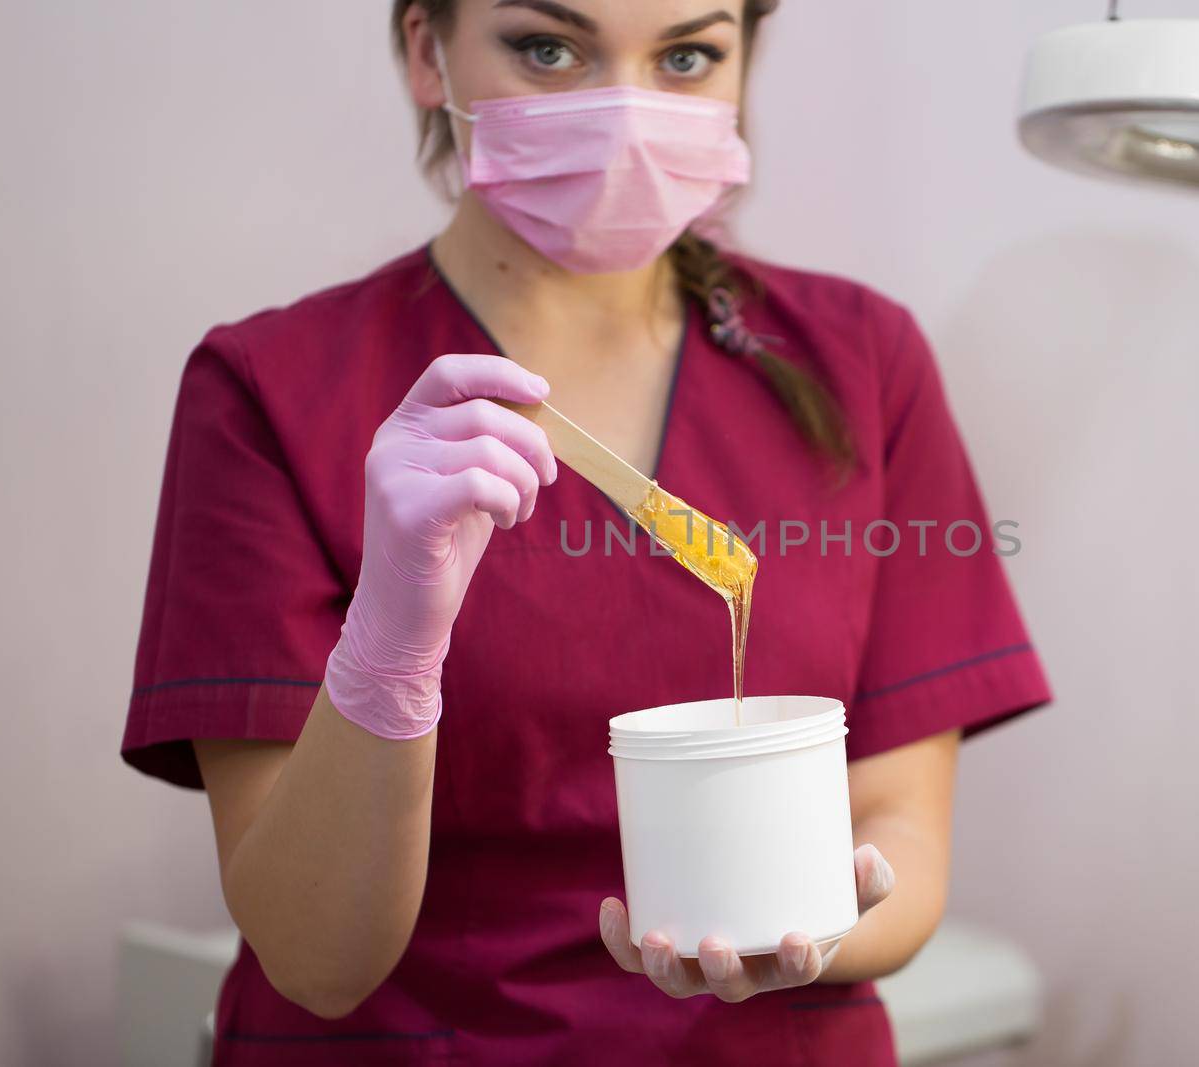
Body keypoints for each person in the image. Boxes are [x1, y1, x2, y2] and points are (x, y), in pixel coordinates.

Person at [120, 1, 1055, 1063]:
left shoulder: (861, 362)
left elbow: (900, 834)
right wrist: (390, 636)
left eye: (688, 55)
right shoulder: (273, 391)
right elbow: (314, 954)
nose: (624, 113)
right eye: (549, 48)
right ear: (430, 53)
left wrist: (802, 929)